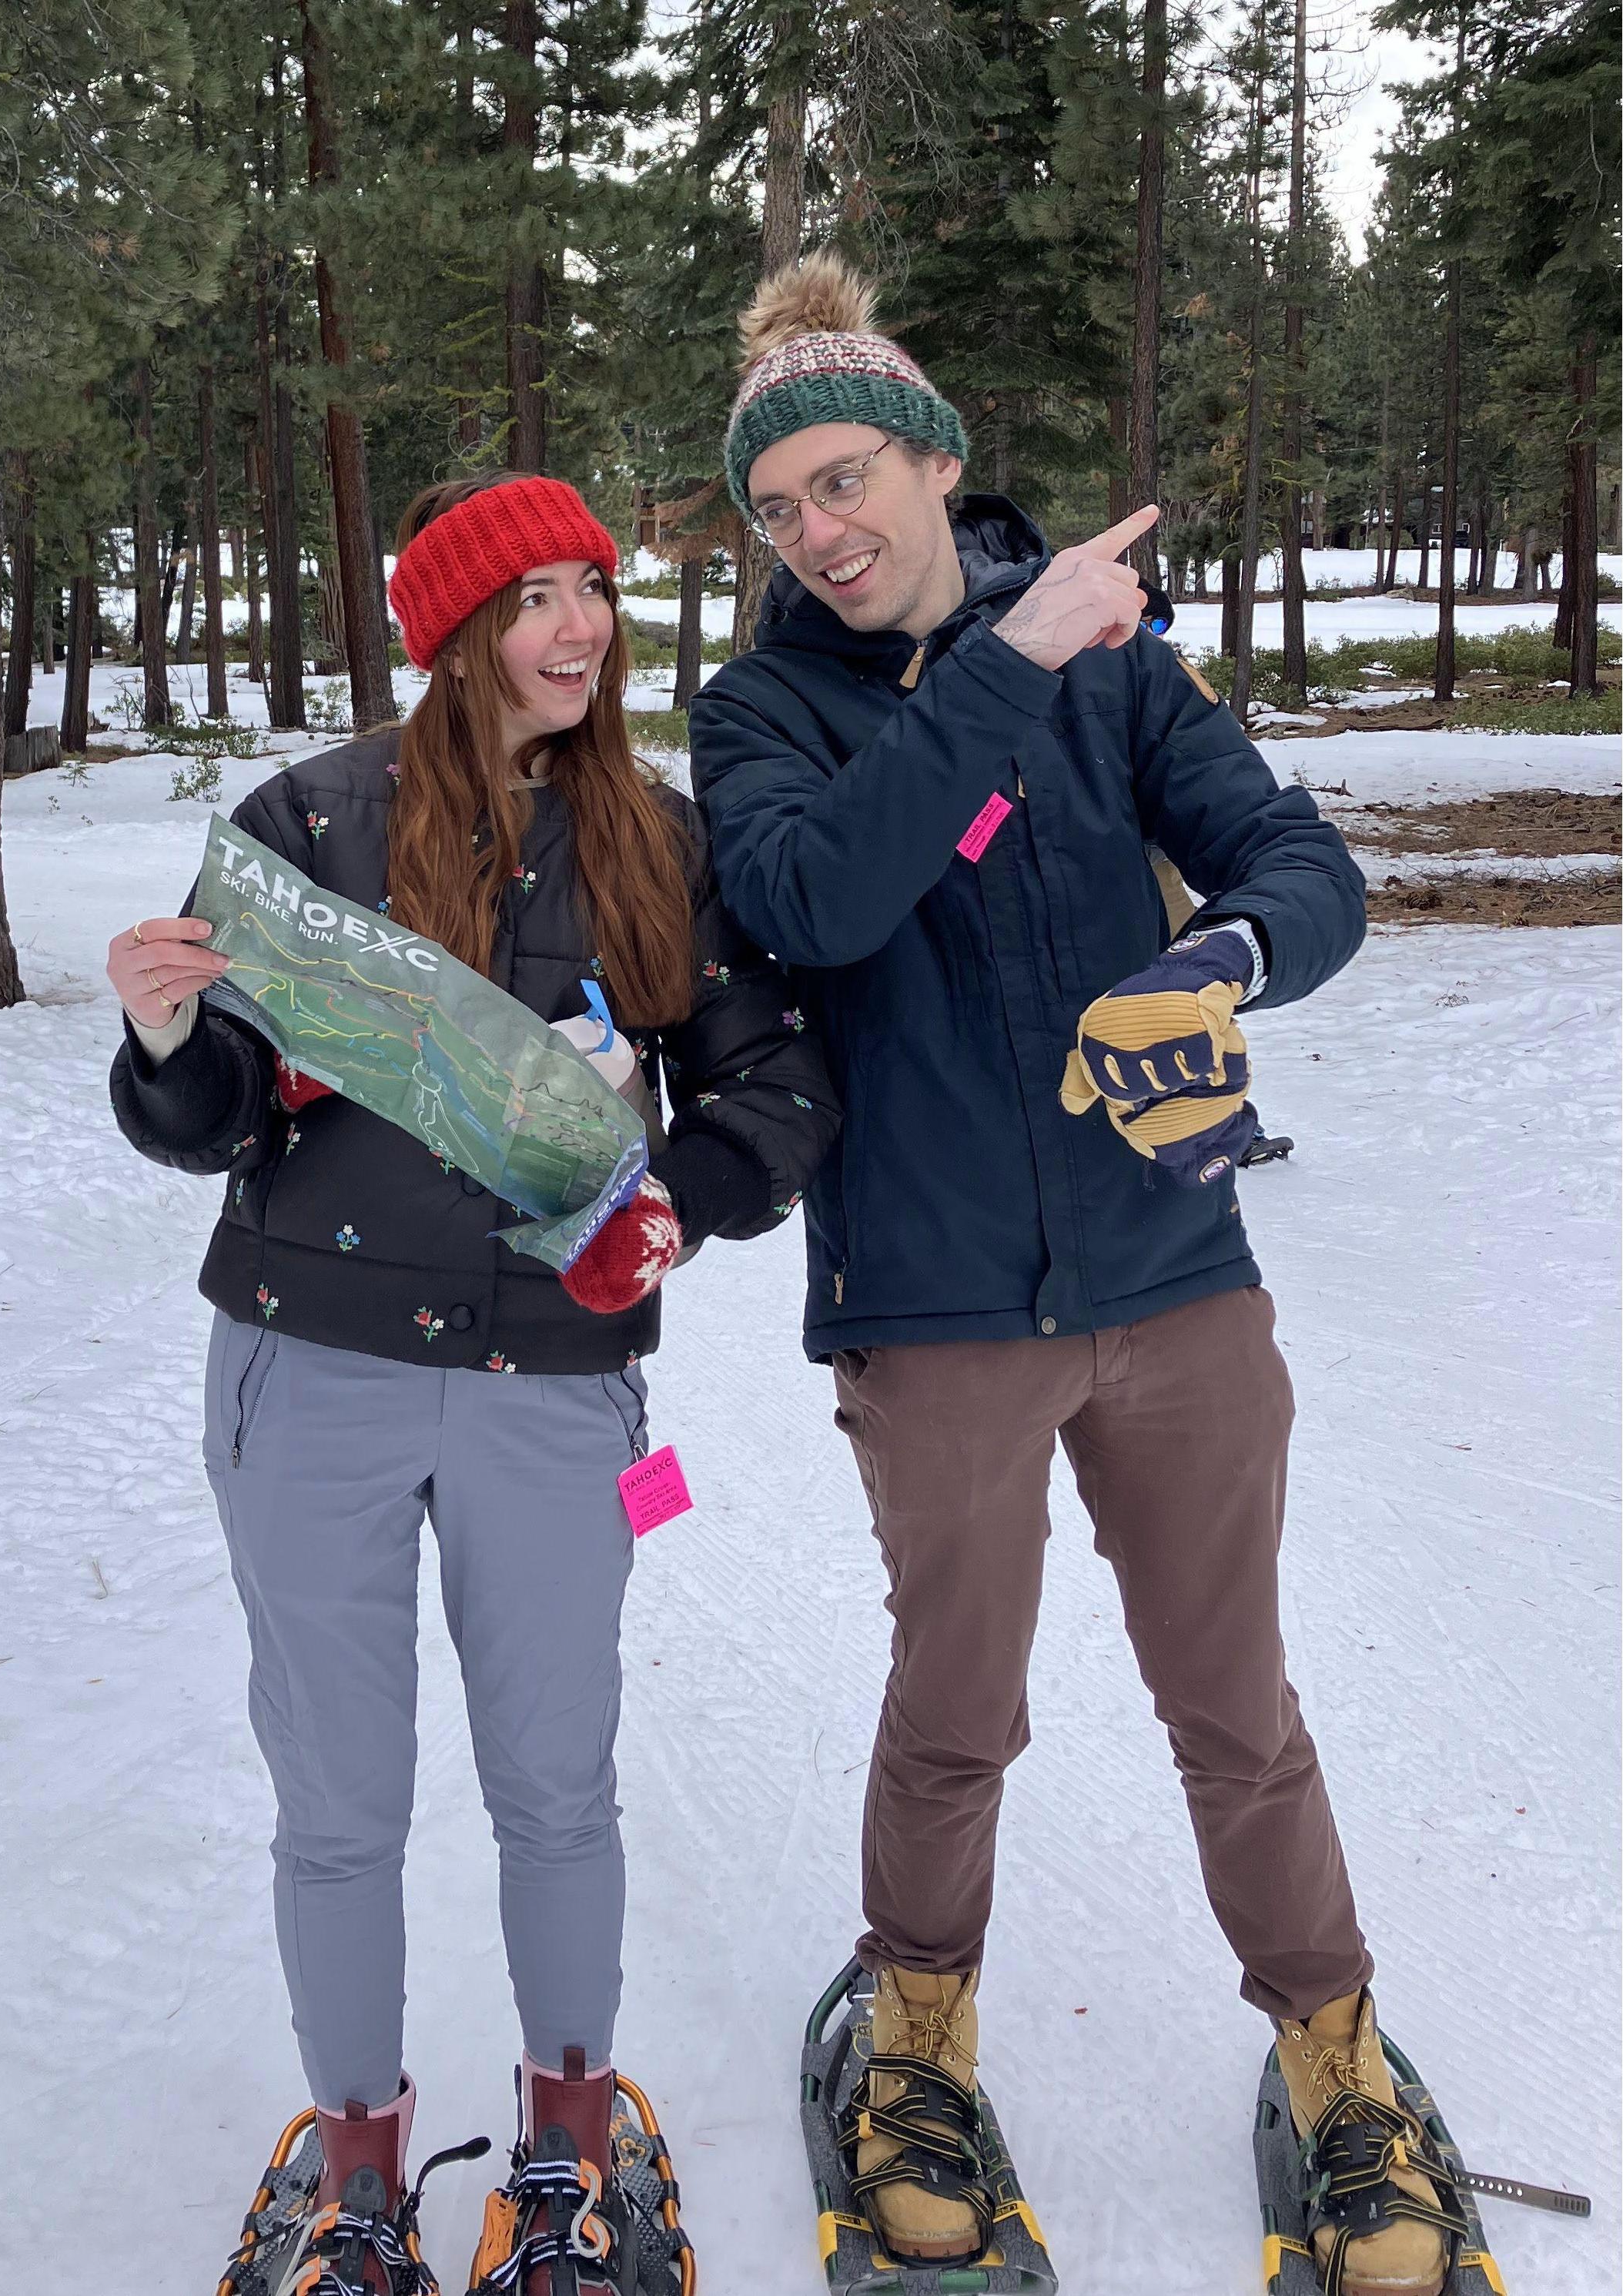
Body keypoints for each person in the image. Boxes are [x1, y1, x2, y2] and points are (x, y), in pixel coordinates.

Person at [689, 256, 1464, 2296]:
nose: (815, 531)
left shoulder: (1118, 667)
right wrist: (1009, 655)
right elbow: (821, 899)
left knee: (1235, 1698)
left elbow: (1294, 860)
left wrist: (1221, 956)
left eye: (843, 478)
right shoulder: (762, 707)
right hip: (934, 1305)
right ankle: (917, 2035)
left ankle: (1334, 2053)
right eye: (777, 510)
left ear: (933, 457)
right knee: (956, 1706)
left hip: (1171, 1265)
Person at [109, 472, 835, 2295]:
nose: (576, 628)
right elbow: (201, 1130)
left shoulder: (659, 839)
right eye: (532, 600)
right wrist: (162, 1035)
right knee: (338, 1801)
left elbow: (777, 1088)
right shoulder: (306, 827)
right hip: (312, 1372)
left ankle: (569, 2164)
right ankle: (354, 2188)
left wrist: (675, 1202)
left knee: (556, 1786)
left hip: (550, 1384)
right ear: (450, 634)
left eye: (591, 590)